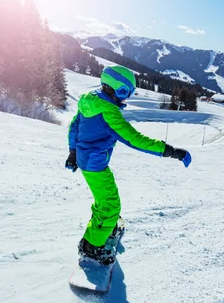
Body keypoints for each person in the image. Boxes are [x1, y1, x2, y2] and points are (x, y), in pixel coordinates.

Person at [65, 65, 191, 265]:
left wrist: (73, 152)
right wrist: (170, 151)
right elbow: (134, 139)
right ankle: (91, 247)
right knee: (110, 204)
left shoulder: (90, 100)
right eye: (124, 92)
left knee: (105, 199)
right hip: (94, 164)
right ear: (113, 88)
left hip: (87, 158)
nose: (125, 98)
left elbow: (74, 127)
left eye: (129, 93)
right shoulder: (109, 112)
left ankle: (106, 226)